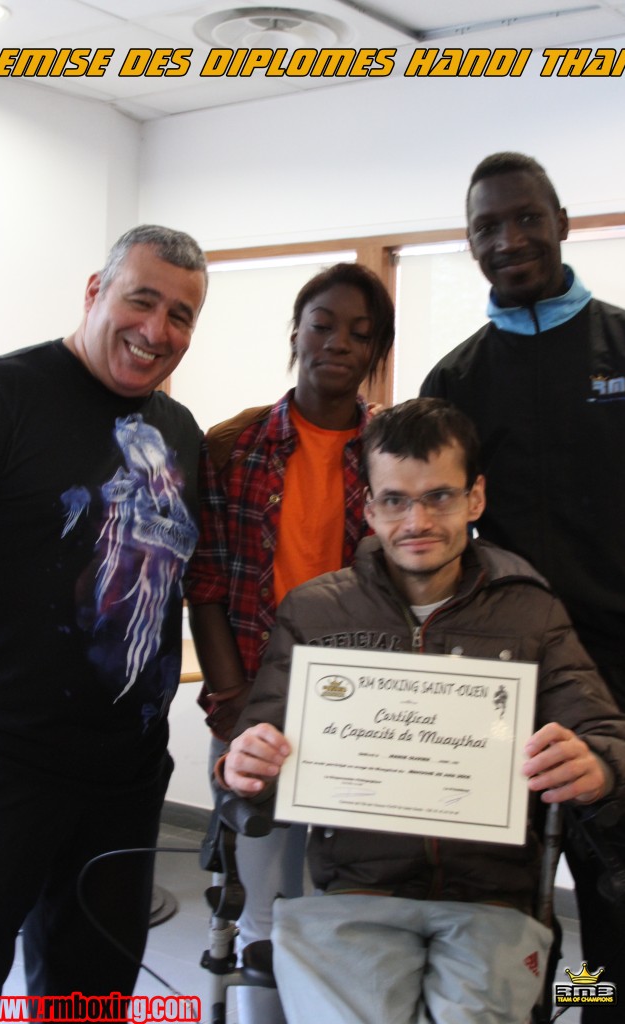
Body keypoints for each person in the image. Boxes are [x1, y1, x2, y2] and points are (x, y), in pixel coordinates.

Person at [221, 398, 625, 1024]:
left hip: (492, 901)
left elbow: (612, 735)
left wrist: (600, 765)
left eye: (439, 497)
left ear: (475, 499)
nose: (417, 520)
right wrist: (242, 768)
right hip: (354, 893)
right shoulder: (316, 613)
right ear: (369, 510)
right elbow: (250, 760)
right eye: (394, 499)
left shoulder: (530, 611)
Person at [0, 225, 207, 1009]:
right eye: (142, 300)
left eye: (181, 316)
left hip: (124, 779)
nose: (157, 331)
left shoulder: (179, 432)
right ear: (95, 293)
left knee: (91, 993)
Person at [420, 151, 625, 1021]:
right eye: (486, 227)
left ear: (562, 222)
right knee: (507, 930)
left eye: (525, 218)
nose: (508, 240)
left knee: (623, 924)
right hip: (499, 697)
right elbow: (429, 543)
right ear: (470, 244)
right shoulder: (455, 383)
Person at [185, 262, 395, 1023]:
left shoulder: (390, 453)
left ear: (376, 355)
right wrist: (234, 703)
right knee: (264, 916)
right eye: (324, 324)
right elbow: (205, 584)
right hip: (256, 709)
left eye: (361, 335)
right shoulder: (234, 446)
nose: (339, 343)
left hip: (360, 715)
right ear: (296, 333)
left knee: (346, 913)